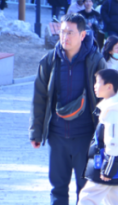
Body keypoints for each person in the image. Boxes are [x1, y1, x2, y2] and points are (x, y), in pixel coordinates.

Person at [30, 13, 107, 205]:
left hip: (85, 138)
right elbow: (39, 98)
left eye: (70, 33)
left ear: (82, 35)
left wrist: (106, 138)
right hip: (57, 137)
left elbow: (106, 100)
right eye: (62, 32)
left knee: (86, 191)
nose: (65, 37)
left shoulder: (95, 61)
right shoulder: (49, 60)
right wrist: (36, 132)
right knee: (57, 189)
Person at [79, 68, 118, 205]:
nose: (94, 86)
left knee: (87, 198)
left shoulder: (113, 113)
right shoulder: (114, 106)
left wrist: (108, 170)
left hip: (107, 165)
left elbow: (114, 143)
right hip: (113, 165)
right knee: (115, 199)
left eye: (97, 82)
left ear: (109, 86)